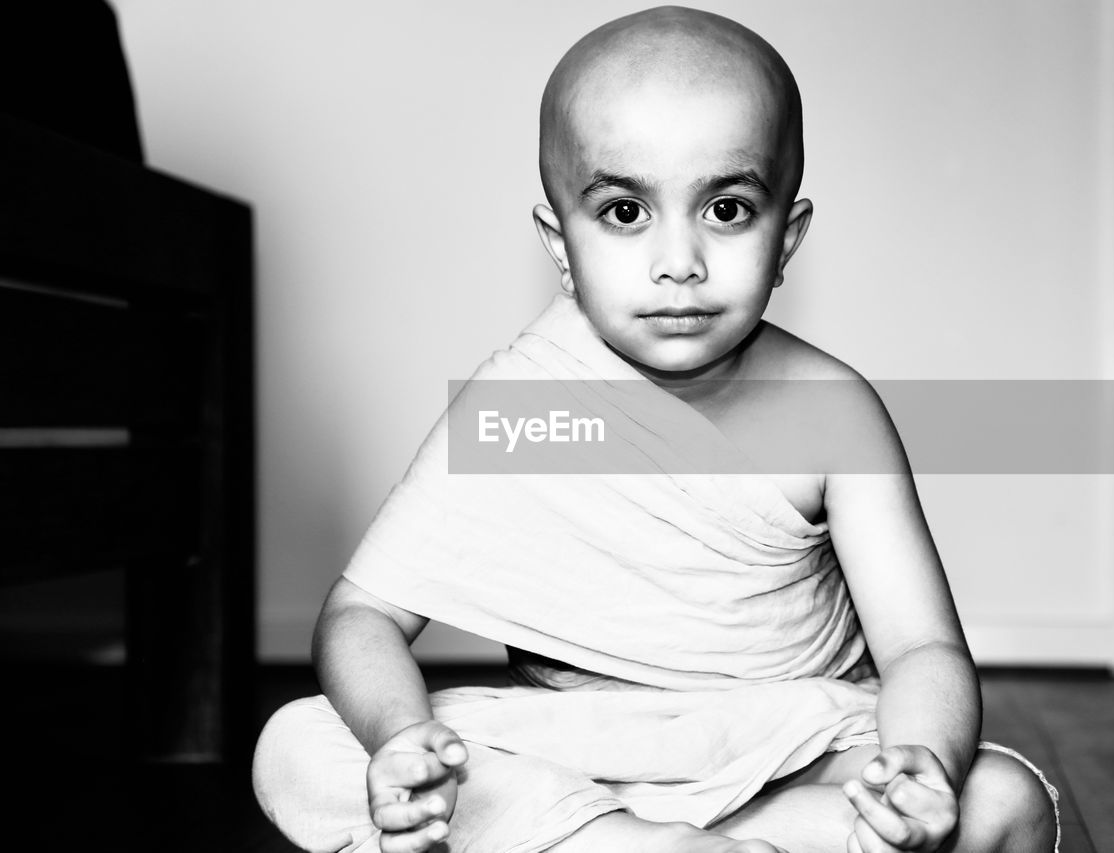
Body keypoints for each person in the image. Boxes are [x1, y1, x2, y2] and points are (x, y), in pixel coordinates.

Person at [253, 6, 1059, 852]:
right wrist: (399, 739)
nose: (681, 261)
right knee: (297, 747)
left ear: (788, 236)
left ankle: (638, 841)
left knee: (1003, 800)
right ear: (559, 244)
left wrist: (917, 767)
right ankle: (637, 839)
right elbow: (360, 617)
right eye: (627, 212)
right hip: (577, 754)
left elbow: (923, 646)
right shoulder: (527, 408)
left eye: (728, 208)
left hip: (787, 746)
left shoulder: (832, 412)